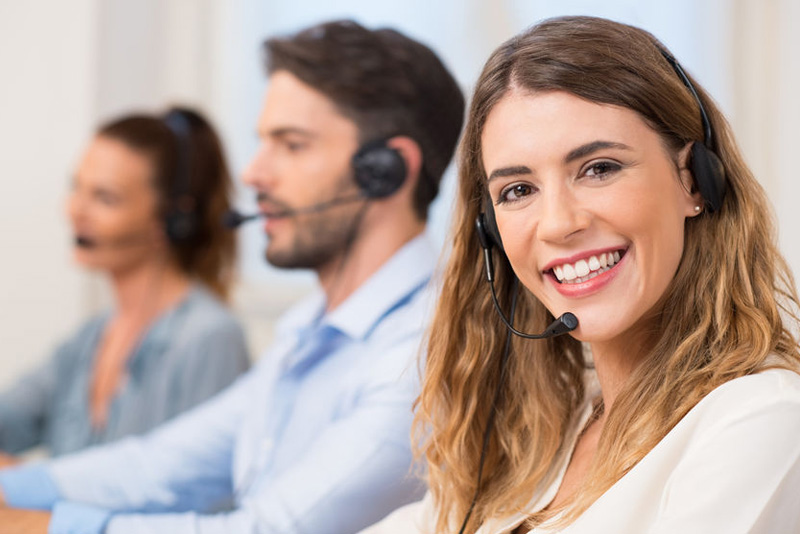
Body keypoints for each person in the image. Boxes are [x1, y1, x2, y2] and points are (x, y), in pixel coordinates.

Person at [0, 19, 465, 534]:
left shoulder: (426, 353)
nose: (253, 174)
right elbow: (158, 467)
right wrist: (14, 492)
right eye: (263, 142)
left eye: (291, 144)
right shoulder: (308, 330)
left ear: (387, 169)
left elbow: (270, 530)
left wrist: (35, 526)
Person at [361, 15, 800, 534]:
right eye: (518, 190)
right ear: (490, 232)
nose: (560, 224)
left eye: (599, 168)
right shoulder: (545, 438)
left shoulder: (759, 420)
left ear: (694, 181)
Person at [0, 107, 250, 461]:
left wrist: (24, 483)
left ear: (171, 218)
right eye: (77, 188)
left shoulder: (210, 339)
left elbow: (204, 493)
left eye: (105, 198)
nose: (76, 211)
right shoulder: (93, 335)